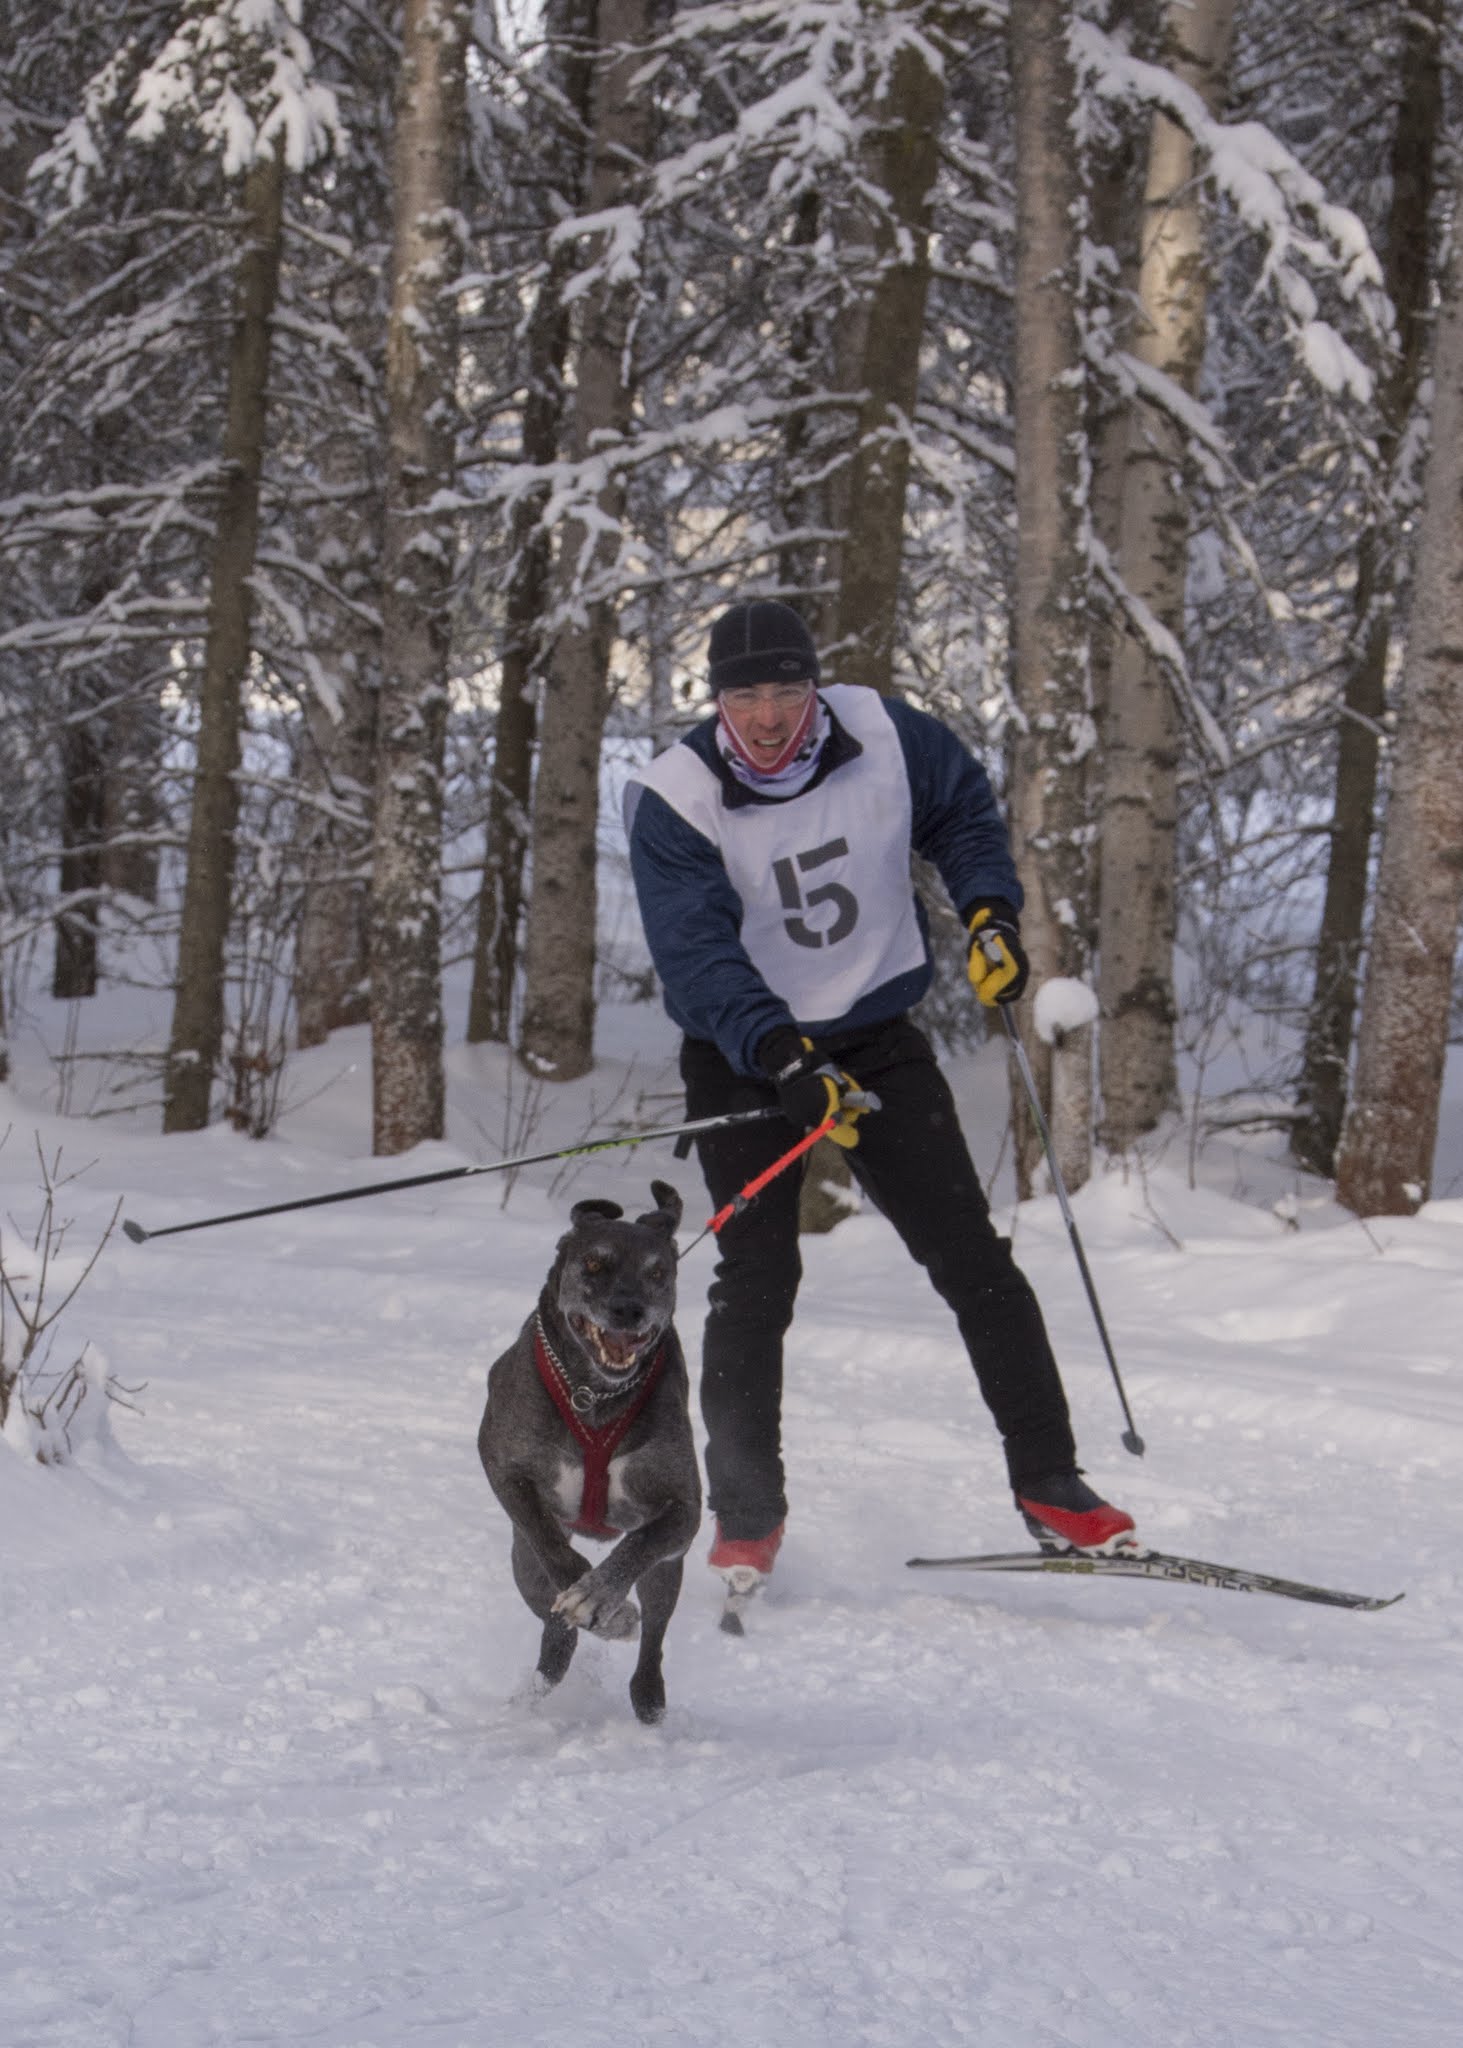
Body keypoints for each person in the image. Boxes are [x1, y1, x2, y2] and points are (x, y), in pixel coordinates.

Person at [622, 597, 1135, 1599]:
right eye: (743, 694)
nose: (767, 715)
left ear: (812, 685)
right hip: (745, 1053)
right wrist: (781, 1057)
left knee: (972, 1257)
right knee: (754, 1278)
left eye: (784, 689)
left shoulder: (888, 734)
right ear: (715, 698)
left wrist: (989, 912)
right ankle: (745, 1514)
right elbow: (694, 953)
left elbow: (961, 815)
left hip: (874, 1039)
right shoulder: (675, 795)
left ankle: (1049, 1480)